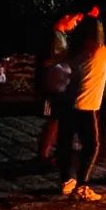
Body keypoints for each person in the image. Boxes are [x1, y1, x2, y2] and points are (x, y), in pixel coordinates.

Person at [57, 16, 106, 202]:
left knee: (65, 144)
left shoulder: (75, 52)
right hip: (86, 106)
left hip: (67, 104)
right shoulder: (104, 51)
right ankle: (82, 186)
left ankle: (67, 180)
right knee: (92, 146)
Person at [37, 11, 82, 161]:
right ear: (66, 17)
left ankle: (51, 151)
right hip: (52, 85)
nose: (75, 25)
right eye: (75, 20)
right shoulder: (53, 36)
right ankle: (44, 154)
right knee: (54, 119)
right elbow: (47, 60)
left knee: (58, 119)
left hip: (60, 84)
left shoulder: (61, 35)